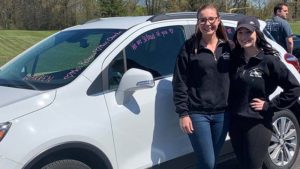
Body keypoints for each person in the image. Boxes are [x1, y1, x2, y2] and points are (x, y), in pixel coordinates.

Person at [228, 16, 300, 169]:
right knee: (244, 165)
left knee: (253, 166)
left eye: (248, 32)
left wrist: (270, 105)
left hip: (257, 122)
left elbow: (294, 87)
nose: (244, 37)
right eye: (240, 33)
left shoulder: (268, 61)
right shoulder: (234, 59)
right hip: (235, 123)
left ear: (257, 34)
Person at [172, 4, 231, 169]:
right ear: (198, 22)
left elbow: (244, 70)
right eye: (203, 20)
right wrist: (183, 113)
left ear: (218, 20)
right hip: (198, 114)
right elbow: (179, 82)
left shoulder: (229, 47)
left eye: (211, 19)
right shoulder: (189, 48)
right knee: (208, 162)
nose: (207, 23)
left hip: (223, 114)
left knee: (212, 160)